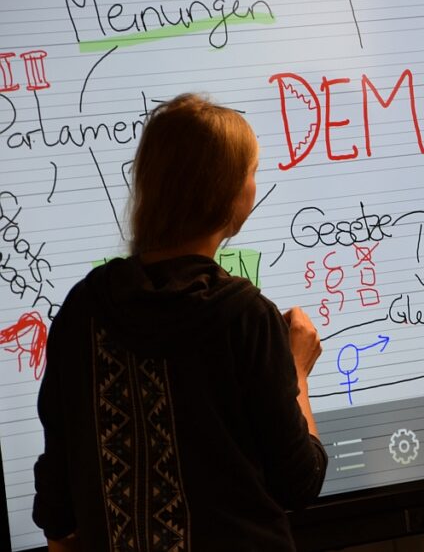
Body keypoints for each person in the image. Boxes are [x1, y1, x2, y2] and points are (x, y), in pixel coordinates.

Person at [32, 94, 328, 552]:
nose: (255, 183)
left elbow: (57, 503)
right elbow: (300, 483)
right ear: (228, 193)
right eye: (251, 172)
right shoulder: (246, 317)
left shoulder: (82, 309)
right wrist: (297, 372)